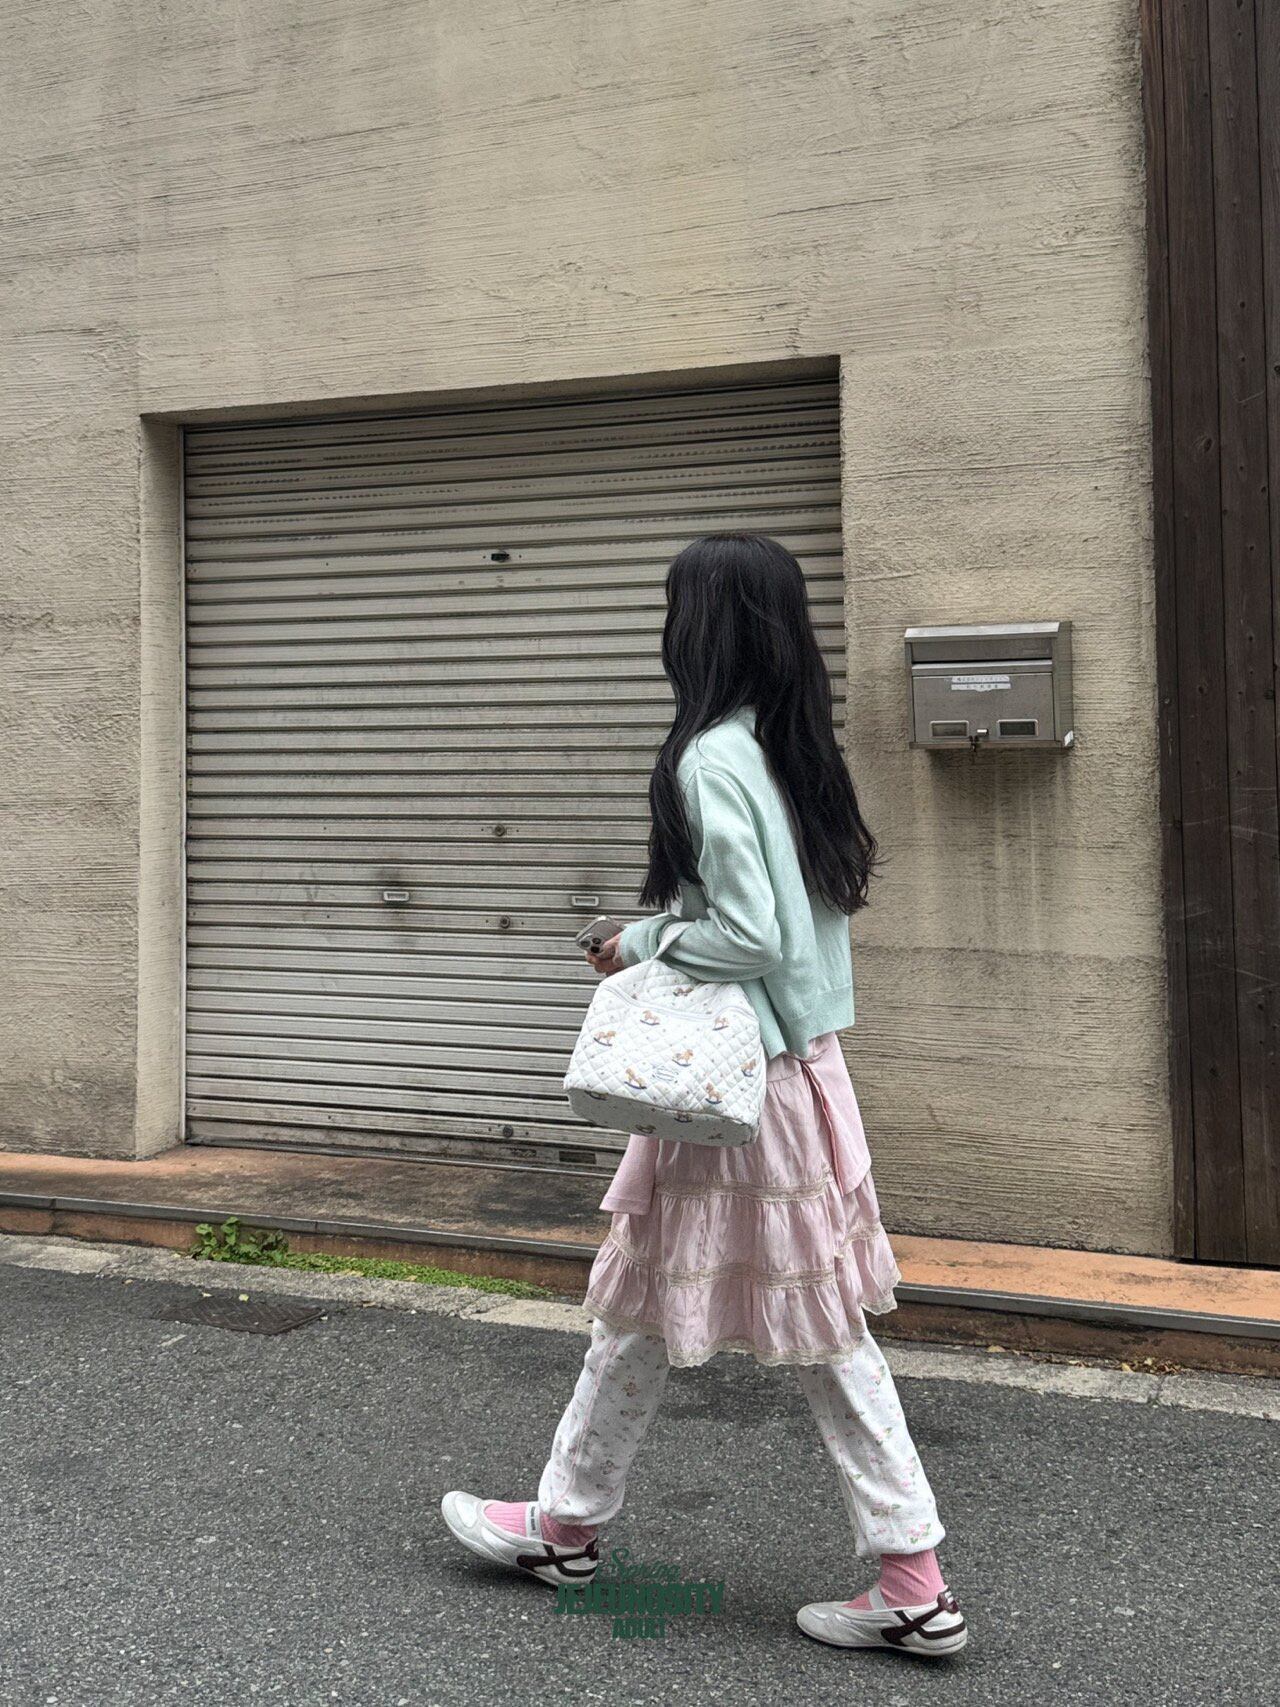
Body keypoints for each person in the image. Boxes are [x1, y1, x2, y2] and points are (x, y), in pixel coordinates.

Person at [443, 533, 967, 1658]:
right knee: (659, 1310)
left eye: (675, 607)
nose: (665, 628)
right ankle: (567, 1524)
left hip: (742, 1096)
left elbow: (750, 935)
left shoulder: (708, 759)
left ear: (704, 627)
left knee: (807, 1331)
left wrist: (639, 941)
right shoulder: (789, 750)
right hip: (799, 1074)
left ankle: (911, 1581)